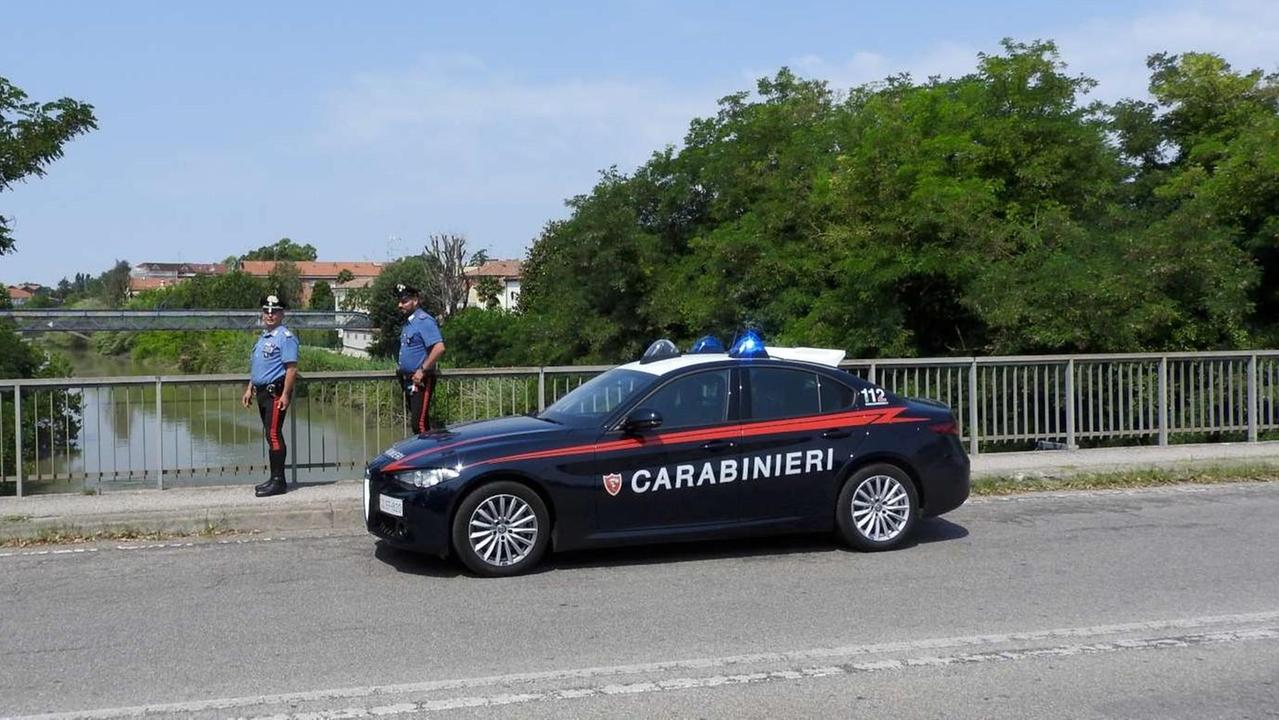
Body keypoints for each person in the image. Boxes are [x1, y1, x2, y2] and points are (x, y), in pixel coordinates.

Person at [241, 294, 299, 497]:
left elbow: (291, 369)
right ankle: (274, 478)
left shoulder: (285, 337)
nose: (269, 315)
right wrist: (250, 388)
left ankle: (279, 482)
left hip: (275, 392)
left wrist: (285, 395)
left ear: (282, 314)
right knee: (269, 434)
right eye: (266, 311)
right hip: (262, 392)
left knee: (274, 434)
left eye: (274, 311)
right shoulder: (264, 336)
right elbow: (258, 367)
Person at [395, 283, 445, 435]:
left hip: (420, 380)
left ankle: (427, 456)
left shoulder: (424, 321)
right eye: (399, 301)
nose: (400, 305)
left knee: (420, 424)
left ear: (415, 301)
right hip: (409, 380)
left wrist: (422, 370)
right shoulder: (409, 323)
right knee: (418, 422)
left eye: (404, 301)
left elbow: (439, 348)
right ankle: (425, 455)